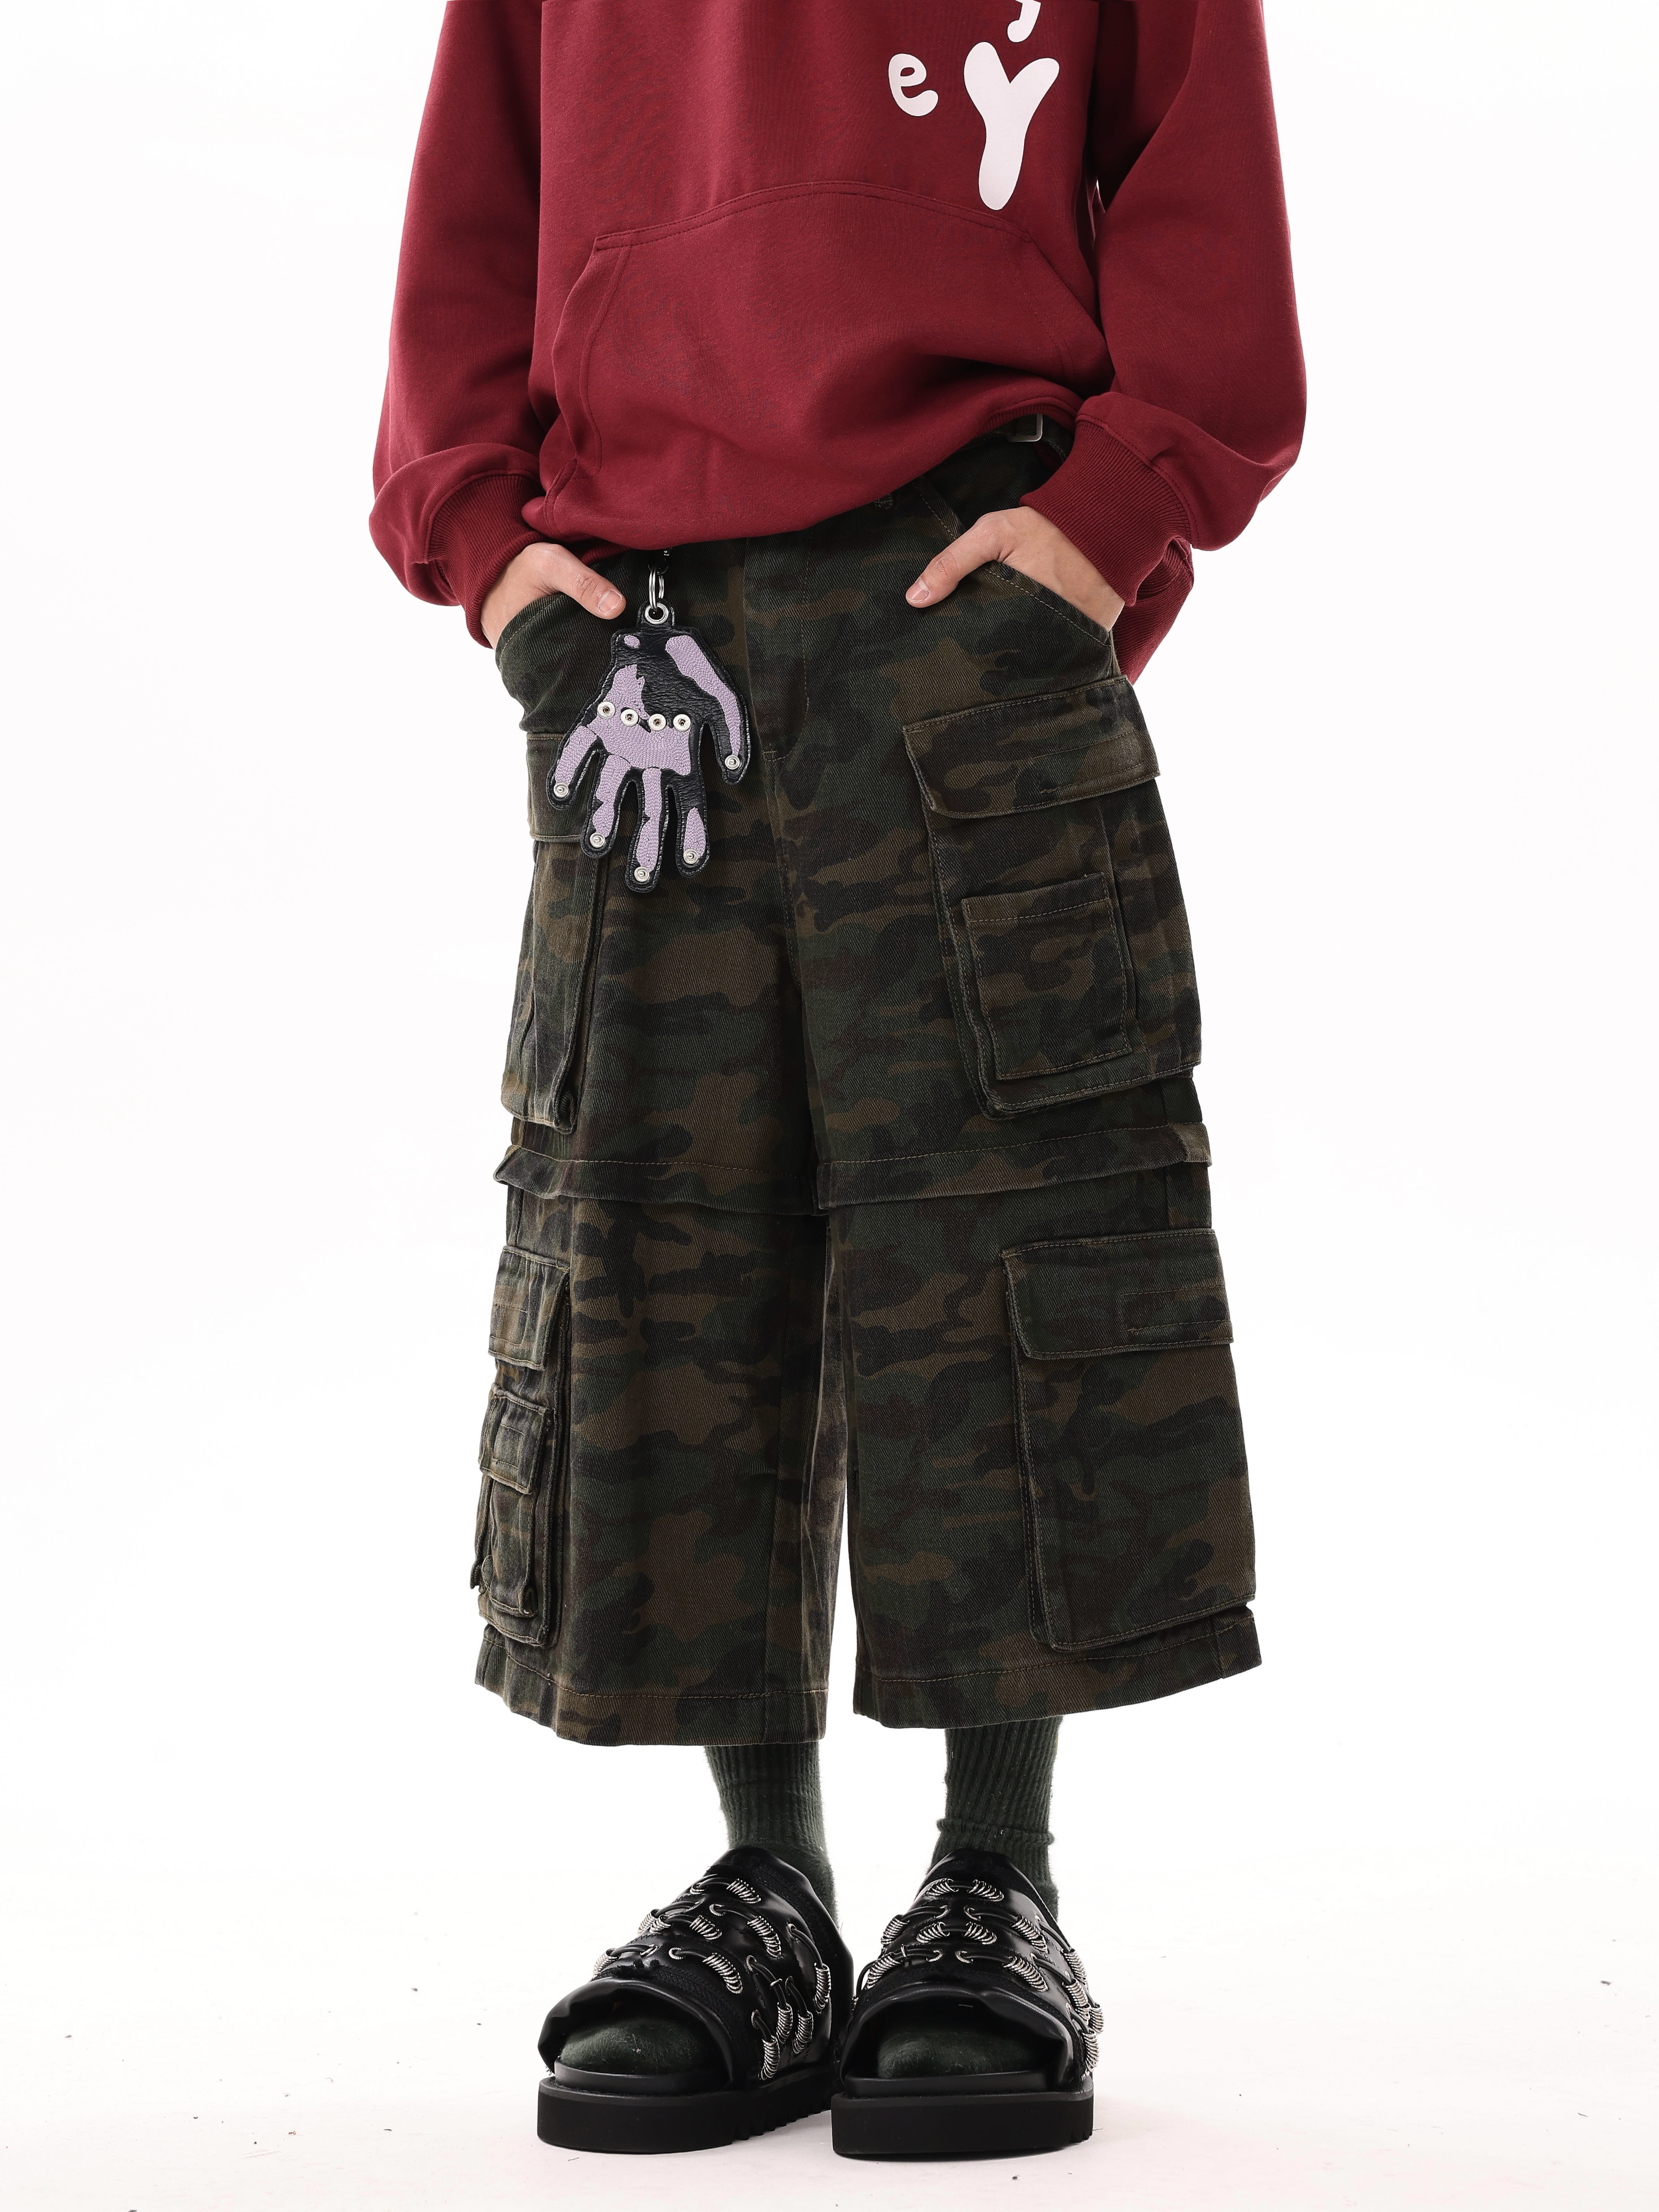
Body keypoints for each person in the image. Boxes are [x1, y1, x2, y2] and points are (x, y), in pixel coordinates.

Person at [371, 0, 1303, 2162]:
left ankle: (995, 1880)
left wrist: (1106, 513)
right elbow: (474, 201)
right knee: (662, 1229)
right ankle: (764, 1884)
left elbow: (1197, 175)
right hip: (641, 635)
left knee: (1002, 1214)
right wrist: (492, 552)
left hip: (967, 575)